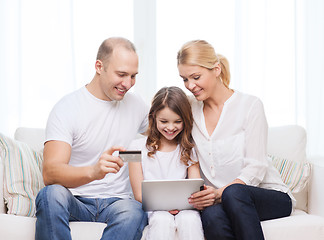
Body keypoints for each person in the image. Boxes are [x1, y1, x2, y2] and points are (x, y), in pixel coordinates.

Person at [177, 40, 294, 240]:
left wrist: (219, 193)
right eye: (184, 79)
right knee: (212, 216)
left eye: (196, 77)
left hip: (267, 195)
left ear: (216, 69)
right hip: (220, 200)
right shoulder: (190, 110)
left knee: (234, 193)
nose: (190, 86)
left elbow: (256, 167)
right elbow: (159, 115)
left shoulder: (250, 106)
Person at [35, 37, 149, 240]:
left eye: (133, 76)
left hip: (119, 202)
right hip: (76, 200)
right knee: (50, 194)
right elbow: (50, 172)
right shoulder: (68, 108)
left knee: (135, 210)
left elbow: (164, 138)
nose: (128, 83)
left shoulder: (136, 104)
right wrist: (94, 171)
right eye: (121, 74)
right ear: (99, 66)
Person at [128, 86, 204, 240]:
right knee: (161, 219)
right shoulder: (133, 148)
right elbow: (138, 194)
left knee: (190, 219)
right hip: (152, 208)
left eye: (177, 121)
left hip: (183, 207)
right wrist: (166, 206)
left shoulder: (190, 148)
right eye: (164, 121)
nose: (170, 127)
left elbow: (196, 187)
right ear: (153, 117)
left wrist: (180, 205)